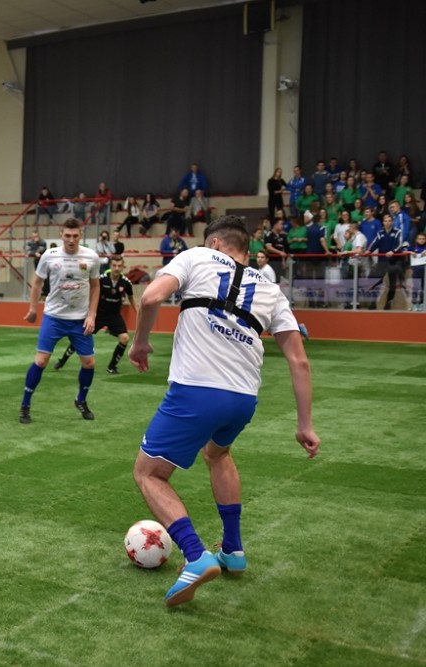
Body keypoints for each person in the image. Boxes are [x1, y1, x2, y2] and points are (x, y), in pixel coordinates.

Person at [128, 215, 320, 607]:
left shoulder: (196, 256)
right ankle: (232, 549)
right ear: (246, 250)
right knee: (217, 453)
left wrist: (140, 342)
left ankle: (195, 556)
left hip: (197, 391)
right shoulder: (271, 288)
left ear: (214, 243)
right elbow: (299, 361)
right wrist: (305, 425)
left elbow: (150, 298)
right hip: (243, 399)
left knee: (149, 473)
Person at [19, 218, 100, 424]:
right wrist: (33, 309)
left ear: (81, 235)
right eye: (67, 236)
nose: (71, 240)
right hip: (54, 317)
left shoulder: (91, 256)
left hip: (80, 319)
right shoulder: (49, 255)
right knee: (41, 361)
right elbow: (37, 282)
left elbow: (95, 286)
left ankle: (81, 400)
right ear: (61, 235)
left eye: (75, 236)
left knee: (89, 363)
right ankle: (25, 404)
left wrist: (92, 315)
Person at [53, 256, 138, 375]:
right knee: (81, 335)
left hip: (114, 316)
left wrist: (139, 313)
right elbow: (90, 291)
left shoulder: (126, 282)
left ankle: (112, 367)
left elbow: (131, 298)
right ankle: (62, 361)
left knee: (125, 338)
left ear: (123, 267)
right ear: (110, 266)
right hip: (99, 314)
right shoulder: (102, 279)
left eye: (119, 266)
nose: (116, 268)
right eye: (114, 265)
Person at [366, 213, 408, 310]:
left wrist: (393, 251)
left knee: (392, 285)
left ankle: (388, 302)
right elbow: (374, 243)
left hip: (393, 262)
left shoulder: (397, 232)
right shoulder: (380, 233)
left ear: (392, 222)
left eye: (389, 221)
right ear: (383, 222)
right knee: (375, 282)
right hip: (382, 262)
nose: (388, 223)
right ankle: (373, 303)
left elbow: (400, 244)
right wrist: (369, 251)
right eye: (385, 221)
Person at [410, 232, 426, 312]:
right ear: (416, 240)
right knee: (415, 287)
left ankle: (422, 303)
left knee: (424, 287)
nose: (421, 240)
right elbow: (403, 251)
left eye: (423, 239)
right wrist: (411, 252)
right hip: (416, 270)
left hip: (425, 271)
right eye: (420, 239)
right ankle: (414, 304)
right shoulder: (413, 247)